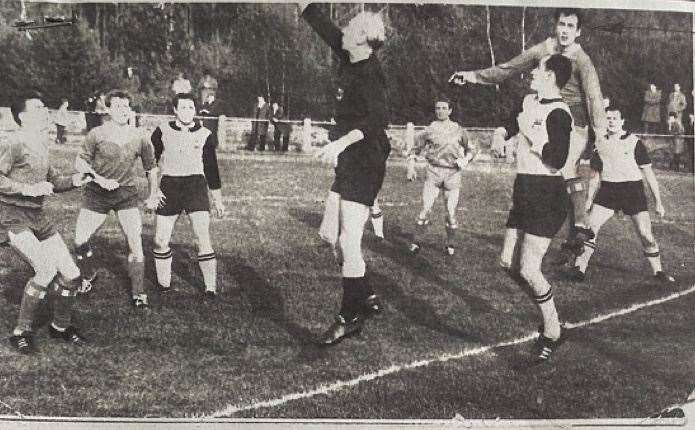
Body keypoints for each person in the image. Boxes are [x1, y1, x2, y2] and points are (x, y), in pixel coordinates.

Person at [450, 8, 606, 262]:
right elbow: (509, 67)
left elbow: (594, 98)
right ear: (555, 26)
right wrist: (472, 76)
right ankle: (553, 233)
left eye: (570, 26)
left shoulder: (583, 60)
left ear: (579, 32)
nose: (565, 30)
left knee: (564, 167)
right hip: (540, 118)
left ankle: (579, 227)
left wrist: (600, 135)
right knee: (536, 175)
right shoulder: (542, 51)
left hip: (572, 123)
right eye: (561, 25)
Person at [301, 2, 390, 346]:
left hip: (365, 157)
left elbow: (375, 122)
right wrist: (307, 7)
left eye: (352, 27)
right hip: (350, 157)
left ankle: (348, 317)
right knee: (329, 236)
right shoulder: (350, 57)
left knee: (348, 241)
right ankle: (365, 293)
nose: (345, 30)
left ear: (364, 38)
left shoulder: (371, 74)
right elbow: (327, 31)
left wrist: (338, 145)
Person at [495, 54, 574, 362]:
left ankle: (553, 330)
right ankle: (550, 313)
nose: (532, 74)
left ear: (551, 76)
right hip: (524, 189)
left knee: (529, 268)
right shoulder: (528, 101)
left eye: (538, 69)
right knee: (507, 263)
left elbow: (557, 159)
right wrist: (500, 135)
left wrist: (529, 135)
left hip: (547, 193)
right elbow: (508, 123)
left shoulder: (559, 112)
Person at [2, 92, 91, 353]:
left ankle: (59, 327)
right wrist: (26, 189)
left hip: (38, 217)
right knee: (45, 270)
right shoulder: (13, 143)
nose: (45, 111)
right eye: (39, 108)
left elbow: (52, 181)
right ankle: (20, 332)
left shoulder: (41, 143)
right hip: (13, 216)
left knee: (72, 275)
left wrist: (75, 180)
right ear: (23, 116)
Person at [569, 104, 676, 284]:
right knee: (590, 229)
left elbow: (648, 174)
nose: (611, 122)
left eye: (614, 119)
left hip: (632, 191)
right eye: (608, 118)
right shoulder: (600, 142)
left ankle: (658, 271)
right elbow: (596, 175)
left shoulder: (634, 142)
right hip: (608, 191)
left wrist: (658, 202)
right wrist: (588, 202)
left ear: (622, 121)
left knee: (645, 234)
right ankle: (579, 268)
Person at [73, 90, 159, 309]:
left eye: (126, 106)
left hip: (125, 195)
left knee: (134, 241)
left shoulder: (140, 136)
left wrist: (153, 193)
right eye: (117, 106)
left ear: (130, 110)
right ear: (108, 109)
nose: (122, 110)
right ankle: (88, 275)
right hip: (96, 194)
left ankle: (138, 292)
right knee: (80, 240)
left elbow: (152, 168)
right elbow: (80, 163)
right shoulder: (96, 134)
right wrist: (99, 180)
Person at [148, 93, 226, 299]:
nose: (187, 112)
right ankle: (164, 285)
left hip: (195, 186)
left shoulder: (205, 134)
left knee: (202, 237)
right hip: (169, 186)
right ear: (174, 110)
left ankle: (210, 289)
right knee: (160, 239)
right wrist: (153, 190)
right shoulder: (161, 131)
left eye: (191, 108)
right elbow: (150, 164)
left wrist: (218, 200)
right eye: (183, 108)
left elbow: (211, 169)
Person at [406, 97, 476, 256]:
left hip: (453, 174)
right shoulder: (429, 129)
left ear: (450, 110)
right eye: (438, 108)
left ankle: (450, 244)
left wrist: (464, 160)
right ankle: (416, 242)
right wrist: (411, 168)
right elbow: (414, 150)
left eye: (444, 108)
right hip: (433, 172)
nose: (440, 111)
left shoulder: (459, 130)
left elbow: (472, 150)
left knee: (451, 213)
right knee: (425, 210)